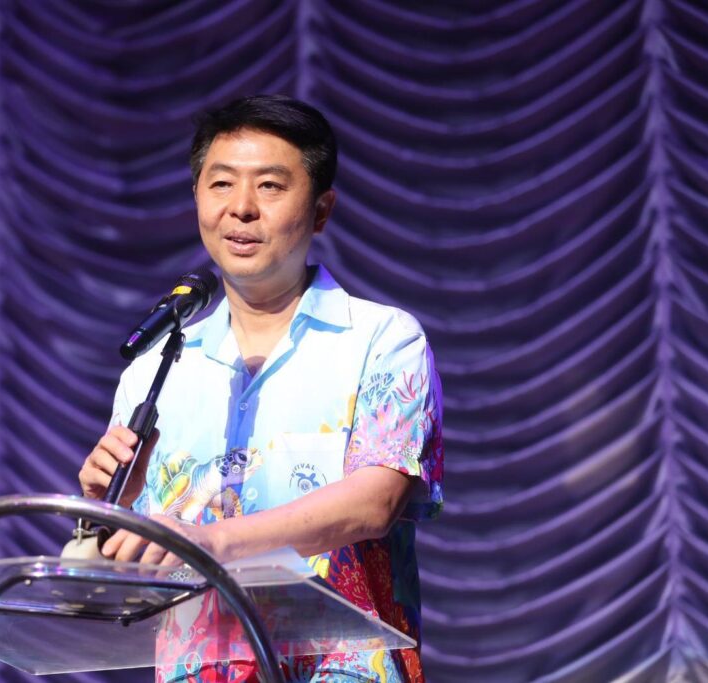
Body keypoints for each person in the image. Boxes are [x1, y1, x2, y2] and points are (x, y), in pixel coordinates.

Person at [79, 95, 443, 683]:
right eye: (221, 184)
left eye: (270, 186)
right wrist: (113, 507)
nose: (241, 208)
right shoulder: (155, 370)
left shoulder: (382, 340)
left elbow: (374, 503)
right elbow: (132, 565)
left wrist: (212, 541)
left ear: (321, 209)